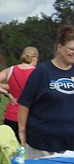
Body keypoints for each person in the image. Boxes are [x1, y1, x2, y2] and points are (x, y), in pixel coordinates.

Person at [19, 25, 74, 156]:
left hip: (71, 143)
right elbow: (25, 104)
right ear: (59, 47)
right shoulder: (41, 73)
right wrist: (22, 132)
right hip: (43, 143)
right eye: (71, 49)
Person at [0, 46, 38, 142]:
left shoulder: (10, 70)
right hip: (29, 115)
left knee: (11, 147)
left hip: (11, 113)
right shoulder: (37, 72)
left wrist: (7, 93)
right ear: (34, 58)